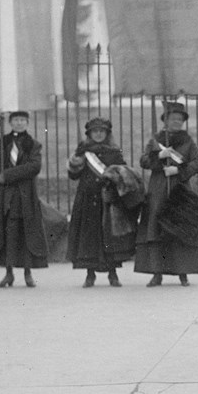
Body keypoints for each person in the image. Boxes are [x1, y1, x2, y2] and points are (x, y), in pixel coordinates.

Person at [135, 102, 198, 286]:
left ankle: (183, 273)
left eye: (180, 119)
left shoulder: (187, 142)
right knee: (156, 230)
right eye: (173, 119)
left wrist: (179, 171)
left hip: (179, 189)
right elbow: (143, 161)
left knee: (179, 229)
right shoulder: (155, 141)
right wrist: (158, 156)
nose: (176, 122)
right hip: (158, 189)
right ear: (165, 120)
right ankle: (157, 273)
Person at [67, 117, 141, 287]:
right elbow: (73, 176)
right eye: (95, 131)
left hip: (108, 199)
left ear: (107, 134)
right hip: (87, 199)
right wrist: (75, 162)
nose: (98, 134)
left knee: (109, 236)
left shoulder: (114, 152)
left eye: (102, 131)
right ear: (89, 134)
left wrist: (114, 175)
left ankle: (112, 274)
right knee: (89, 237)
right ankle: (90, 274)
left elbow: (124, 173)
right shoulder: (83, 151)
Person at [0, 110, 48, 288]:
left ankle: (27, 273)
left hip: (24, 196)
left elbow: (34, 166)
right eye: (16, 120)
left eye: (22, 120)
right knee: (7, 233)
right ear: (10, 123)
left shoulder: (33, 144)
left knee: (26, 233)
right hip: (5, 197)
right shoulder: (3, 142)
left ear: (27, 123)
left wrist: (7, 175)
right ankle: (8, 273)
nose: (19, 123)